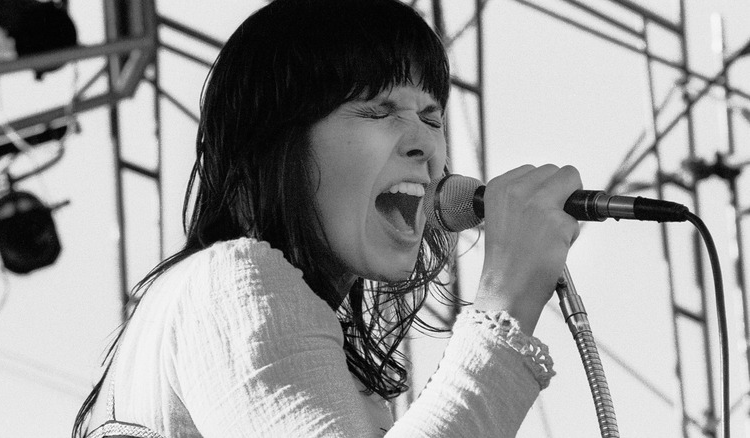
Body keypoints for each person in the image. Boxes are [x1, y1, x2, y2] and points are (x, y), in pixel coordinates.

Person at [73, 0, 582, 436]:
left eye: (432, 117)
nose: (425, 143)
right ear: (279, 144)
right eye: (380, 110)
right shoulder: (231, 278)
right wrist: (506, 302)